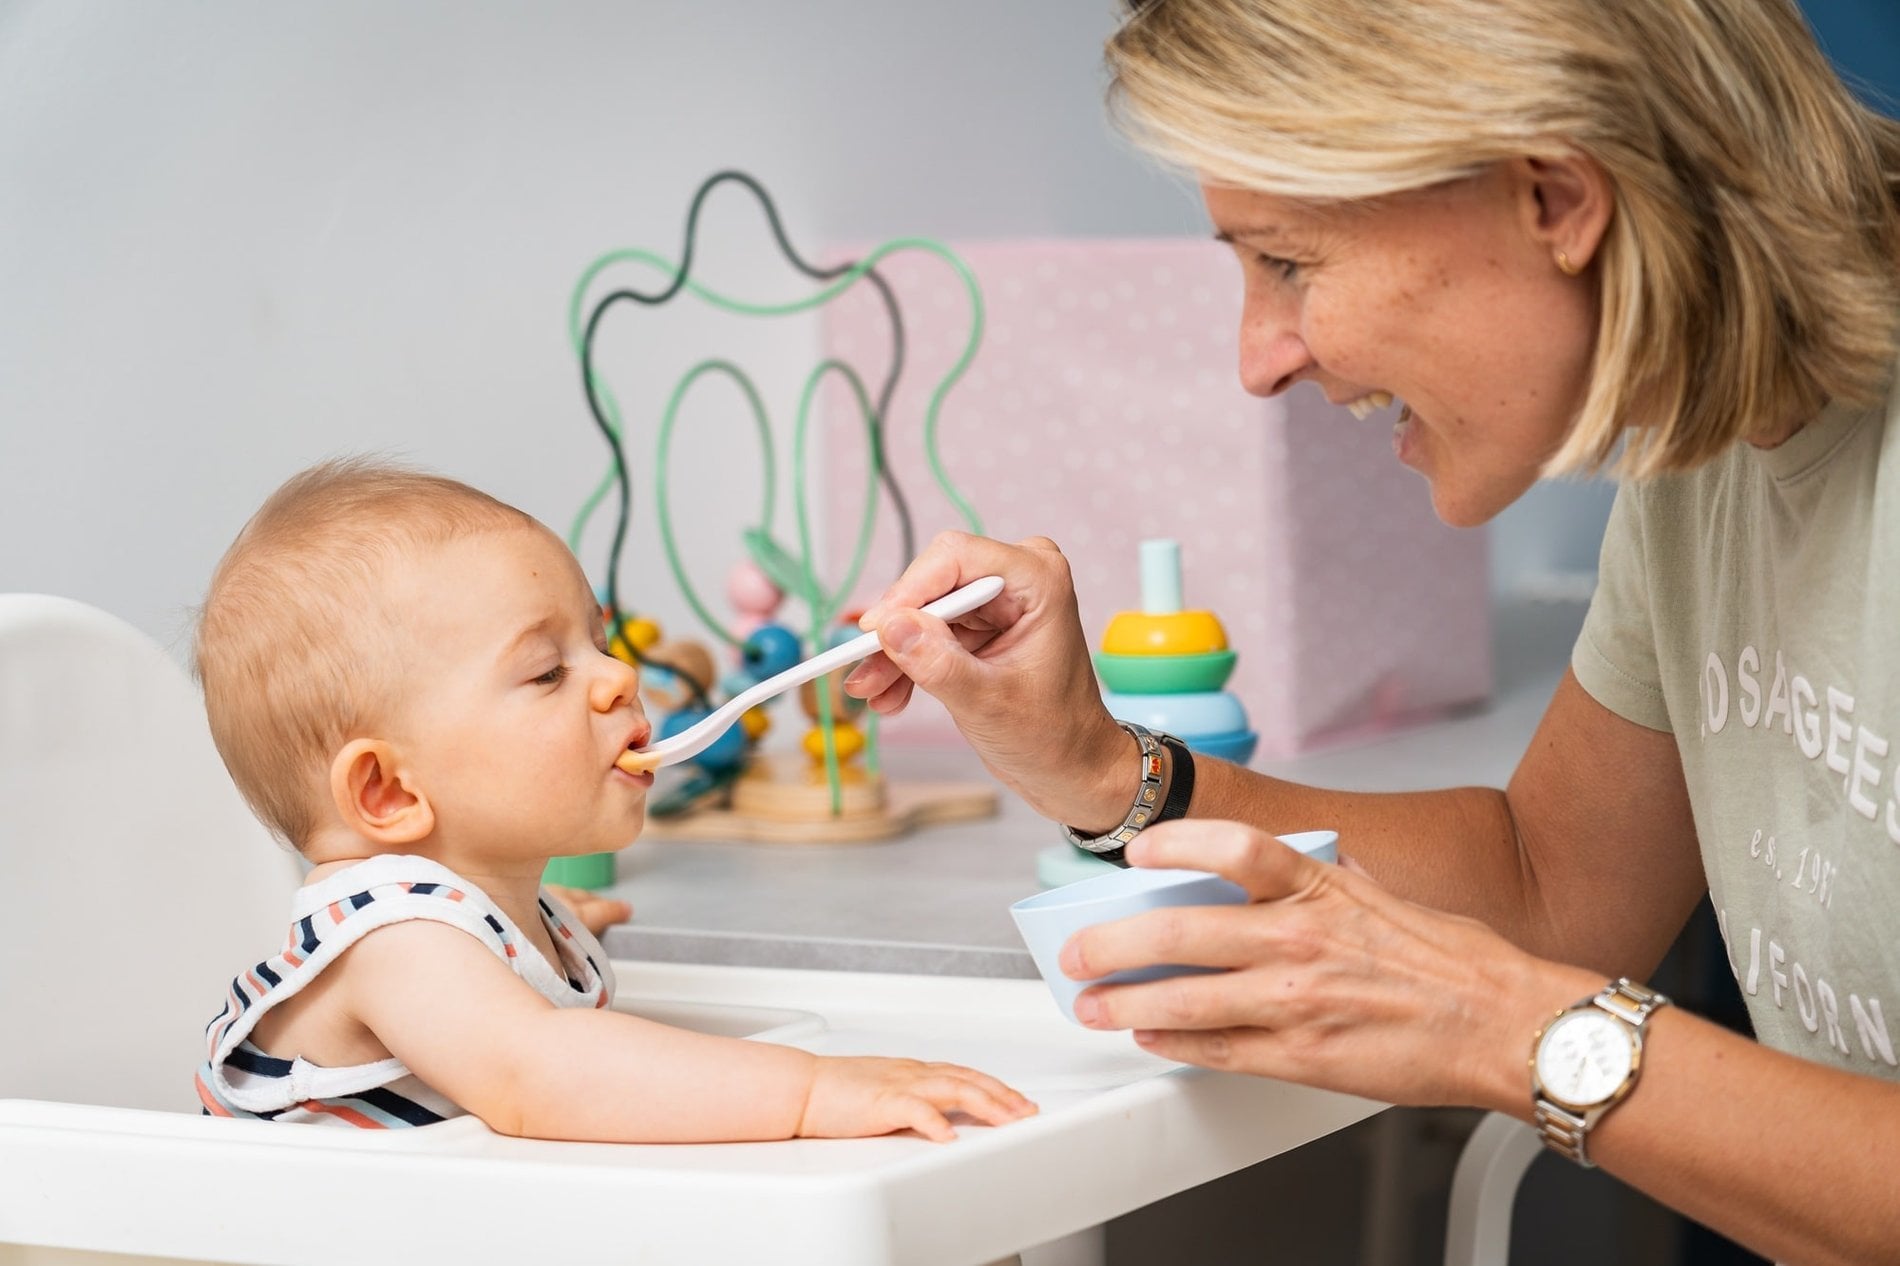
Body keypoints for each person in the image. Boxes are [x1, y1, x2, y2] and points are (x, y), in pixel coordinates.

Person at [843, 0, 1900, 1258]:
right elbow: (1549, 888)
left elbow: (1519, 974)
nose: (1258, 360)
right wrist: (1094, 764)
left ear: (1556, 198)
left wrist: (1509, 1031)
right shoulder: (1706, 455)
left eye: (1286, 261)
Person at [191, 457, 1035, 1141]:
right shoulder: (393, 944)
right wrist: (812, 1095)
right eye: (549, 671)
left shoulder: (468, 920)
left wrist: (542, 917)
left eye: (596, 642)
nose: (619, 675)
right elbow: (542, 1078)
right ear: (387, 791)